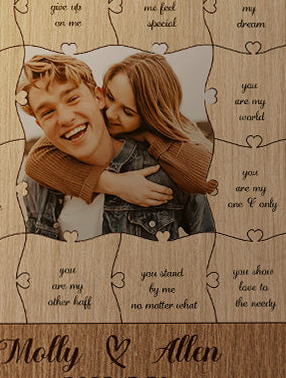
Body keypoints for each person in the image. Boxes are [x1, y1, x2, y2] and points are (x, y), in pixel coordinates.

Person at [16, 53, 214, 241]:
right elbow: (35, 160)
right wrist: (113, 183)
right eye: (48, 112)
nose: (66, 118)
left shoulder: (168, 172)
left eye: (73, 98)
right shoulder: (37, 183)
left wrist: (148, 134)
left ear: (97, 97)